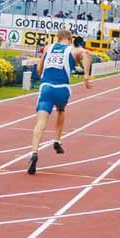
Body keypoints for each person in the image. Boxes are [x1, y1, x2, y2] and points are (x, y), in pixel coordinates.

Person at [27, 28, 92, 175]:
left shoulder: (49, 48)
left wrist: (41, 75)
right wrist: (86, 75)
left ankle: (34, 152)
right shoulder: (72, 49)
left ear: (57, 38)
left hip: (46, 87)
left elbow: (39, 67)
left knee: (41, 123)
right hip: (62, 88)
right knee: (61, 110)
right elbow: (86, 54)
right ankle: (57, 140)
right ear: (69, 39)